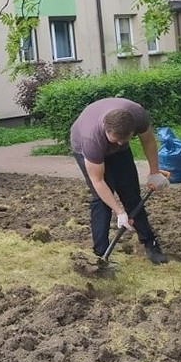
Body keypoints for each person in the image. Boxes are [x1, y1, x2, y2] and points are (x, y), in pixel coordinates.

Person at [69, 97, 170, 264]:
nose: (121, 143)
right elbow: (98, 181)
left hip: (118, 149)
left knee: (131, 195)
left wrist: (154, 172)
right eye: (116, 140)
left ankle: (151, 245)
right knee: (101, 200)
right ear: (106, 130)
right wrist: (120, 212)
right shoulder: (91, 139)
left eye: (126, 139)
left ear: (132, 130)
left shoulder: (138, 115)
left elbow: (149, 141)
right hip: (86, 150)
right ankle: (101, 254)